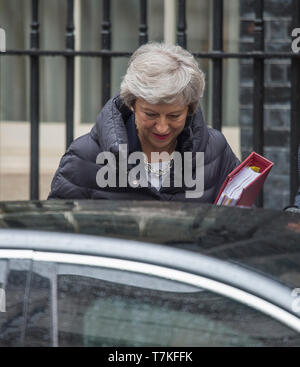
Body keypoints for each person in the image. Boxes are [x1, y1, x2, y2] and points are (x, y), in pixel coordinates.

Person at [48, 42, 240, 202]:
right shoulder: (86, 155)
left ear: (190, 108)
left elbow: (239, 223)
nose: (163, 127)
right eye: (151, 114)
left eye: (174, 116)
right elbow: (58, 234)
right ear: (131, 104)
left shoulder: (215, 149)